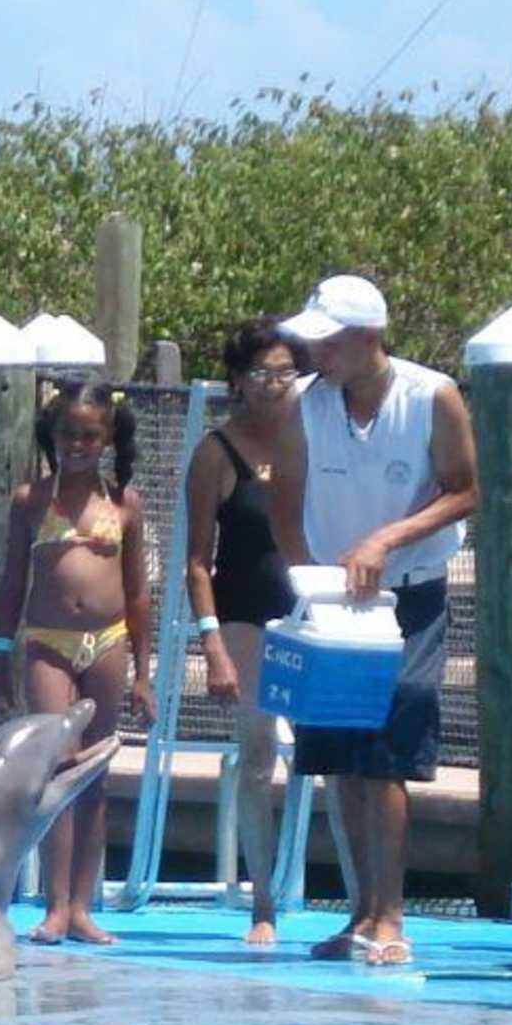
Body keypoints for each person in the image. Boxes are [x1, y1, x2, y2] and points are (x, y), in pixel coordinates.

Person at [266, 274, 479, 967]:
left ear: (367, 337)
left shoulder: (432, 396)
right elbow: (286, 504)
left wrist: (387, 540)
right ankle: (360, 911)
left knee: (387, 751)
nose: (314, 354)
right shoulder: (304, 404)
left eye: (327, 341)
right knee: (339, 753)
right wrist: (313, 588)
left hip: (408, 598)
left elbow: (466, 490)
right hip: (331, 602)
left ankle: (391, 916)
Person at [0, 379, 154, 944]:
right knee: (58, 765)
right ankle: (54, 905)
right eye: (68, 435)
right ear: (52, 437)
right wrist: (0, 653)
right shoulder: (32, 501)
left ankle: (83, 907)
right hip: (47, 641)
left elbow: (137, 593)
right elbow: (13, 583)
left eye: (89, 435)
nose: (78, 445)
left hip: (107, 639)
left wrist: (143, 673)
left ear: (107, 439)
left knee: (94, 773)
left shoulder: (124, 504)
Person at [183, 318, 302, 944]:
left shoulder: (316, 440)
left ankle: (365, 906)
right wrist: (213, 645)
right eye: (260, 373)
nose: (273, 384)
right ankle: (263, 903)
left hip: (313, 616)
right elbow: (197, 561)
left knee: (338, 757)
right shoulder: (216, 453)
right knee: (257, 757)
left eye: (285, 372)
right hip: (244, 618)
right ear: (236, 380)